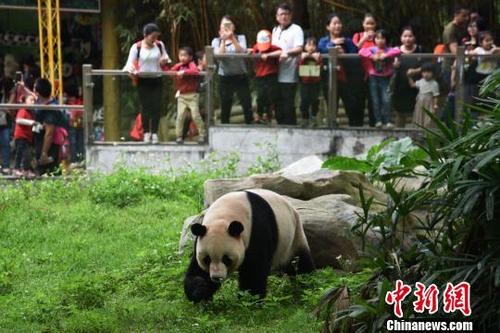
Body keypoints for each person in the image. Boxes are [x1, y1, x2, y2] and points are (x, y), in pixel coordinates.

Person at [123, 23, 171, 144]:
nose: (154, 39)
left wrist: (164, 60)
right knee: (145, 107)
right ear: (145, 35)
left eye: (156, 36)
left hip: (157, 78)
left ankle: (154, 133)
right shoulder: (137, 47)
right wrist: (131, 70)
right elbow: (129, 64)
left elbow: (167, 58)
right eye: (152, 37)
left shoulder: (159, 45)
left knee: (156, 106)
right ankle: (146, 133)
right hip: (143, 79)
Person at [317, 13, 360, 126]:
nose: (337, 26)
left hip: (346, 79)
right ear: (328, 27)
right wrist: (332, 44)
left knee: (352, 107)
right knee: (331, 107)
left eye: (339, 23)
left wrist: (343, 53)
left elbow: (356, 54)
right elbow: (320, 50)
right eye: (334, 23)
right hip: (330, 79)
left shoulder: (347, 41)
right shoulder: (323, 41)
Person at [211, 16, 253, 124]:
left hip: (241, 76)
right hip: (225, 77)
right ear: (219, 28)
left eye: (228, 25)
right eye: (224, 25)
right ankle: (225, 130)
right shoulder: (216, 41)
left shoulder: (241, 38)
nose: (226, 27)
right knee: (225, 105)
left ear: (233, 27)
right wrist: (223, 40)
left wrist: (232, 38)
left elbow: (241, 52)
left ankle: (250, 126)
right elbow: (220, 56)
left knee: (246, 104)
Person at [359, 29, 400, 129]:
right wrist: (372, 56)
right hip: (373, 77)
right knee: (375, 100)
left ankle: (388, 120)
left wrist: (386, 55)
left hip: (386, 77)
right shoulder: (372, 49)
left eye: (382, 38)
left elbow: (397, 50)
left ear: (386, 39)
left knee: (387, 99)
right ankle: (378, 120)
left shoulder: (389, 49)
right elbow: (361, 51)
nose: (380, 40)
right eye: (377, 38)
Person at [272, 3, 304, 125]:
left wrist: (287, 53)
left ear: (291, 16)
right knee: (277, 106)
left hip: (289, 75)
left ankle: (292, 132)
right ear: (277, 16)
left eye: (286, 14)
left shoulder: (296, 29)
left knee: (288, 106)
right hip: (275, 73)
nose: (284, 17)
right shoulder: (275, 30)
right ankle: (281, 133)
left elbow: (299, 48)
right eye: (281, 14)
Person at [170, 46, 205, 144]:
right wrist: (178, 68)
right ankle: (179, 137)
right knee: (180, 116)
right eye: (180, 55)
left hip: (192, 95)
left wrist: (184, 72)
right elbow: (170, 72)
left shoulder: (192, 64)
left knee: (195, 115)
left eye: (185, 55)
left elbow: (195, 71)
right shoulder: (179, 65)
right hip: (182, 96)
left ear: (190, 57)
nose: (182, 58)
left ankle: (202, 134)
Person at [391, 26, 424, 127]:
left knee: (417, 113)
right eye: (405, 36)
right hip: (399, 87)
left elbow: (428, 67)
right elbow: (387, 68)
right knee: (399, 114)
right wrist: (393, 65)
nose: (407, 38)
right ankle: (398, 139)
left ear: (414, 37)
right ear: (401, 38)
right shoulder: (395, 51)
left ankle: (416, 139)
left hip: (416, 88)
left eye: (410, 36)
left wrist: (416, 71)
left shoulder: (420, 49)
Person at [352, 13, 378, 127]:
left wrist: (375, 39)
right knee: (359, 100)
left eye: (372, 23)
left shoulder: (379, 36)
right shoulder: (357, 36)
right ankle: (358, 125)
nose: (370, 26)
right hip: (359, 73)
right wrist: (364, 39)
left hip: (375, 73)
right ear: (363, 24)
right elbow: (353, 50)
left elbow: (383, 50)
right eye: (367, 23)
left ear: (375, 24)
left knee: (373, 100)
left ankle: (374, 124)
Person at [251, 29, 282, 124]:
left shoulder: (273, 48)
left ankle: (269, 115)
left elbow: (281, 52)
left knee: (271, 96)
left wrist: (268, 55)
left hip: (271, 75)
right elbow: (253, 52)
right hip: (260, 76)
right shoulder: (256, 47)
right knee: (260, 96)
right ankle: (259, 114)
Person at [32, 78, 61, 175]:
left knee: (49, 174)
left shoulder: (51, 109)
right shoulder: (43, 101)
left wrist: (44, 153)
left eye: (34, 88)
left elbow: (49, 133)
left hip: (49, 148)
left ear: (38, 92)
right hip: (40, 143)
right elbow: (32, 95)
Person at [298, 37, 322, 127]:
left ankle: (313, 118)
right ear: (304, 47)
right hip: (304, 83)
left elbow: (320, 69)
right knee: (304, 101)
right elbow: (298, 68)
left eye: (313, 45)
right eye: (309, 45)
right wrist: (303, 59)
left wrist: (317, 60)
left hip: (315, 83)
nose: (311, 47)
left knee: (315, 100)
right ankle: (305, 119)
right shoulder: (301, 56)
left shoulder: (318, 55)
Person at [408, 62, 440, 128]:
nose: (426, 74)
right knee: (419, 115)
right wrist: (409, 77)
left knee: (428, 118)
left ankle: (427, 132)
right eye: (424, 72)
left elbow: (435, 96)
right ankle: (418, 130)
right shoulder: (421, 81)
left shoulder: (434, 84)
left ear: (433, 73)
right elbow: (413, 85)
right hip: (420, 102)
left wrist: (435, 105)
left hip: (429, 103)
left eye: (428, 72)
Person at [12, 94, 37, 178]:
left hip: (27, 137)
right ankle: (22, 169)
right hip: (21, 136)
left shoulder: (31, 112)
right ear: (25, 102)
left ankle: (20, 169)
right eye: (31, 100)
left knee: (22, 154)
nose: (33, 102)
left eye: (34, 101)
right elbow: (18, 120)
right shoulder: (23, 110)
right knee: (25, 154)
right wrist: (31, 122)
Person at [0, 77, 15, 174]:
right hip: (4, 121)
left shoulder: (8, 94)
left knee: (5, 144)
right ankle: (4, 166)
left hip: (5, 123)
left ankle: (5, 166)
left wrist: (12, 95)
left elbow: (9, 109)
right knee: (5, 144)